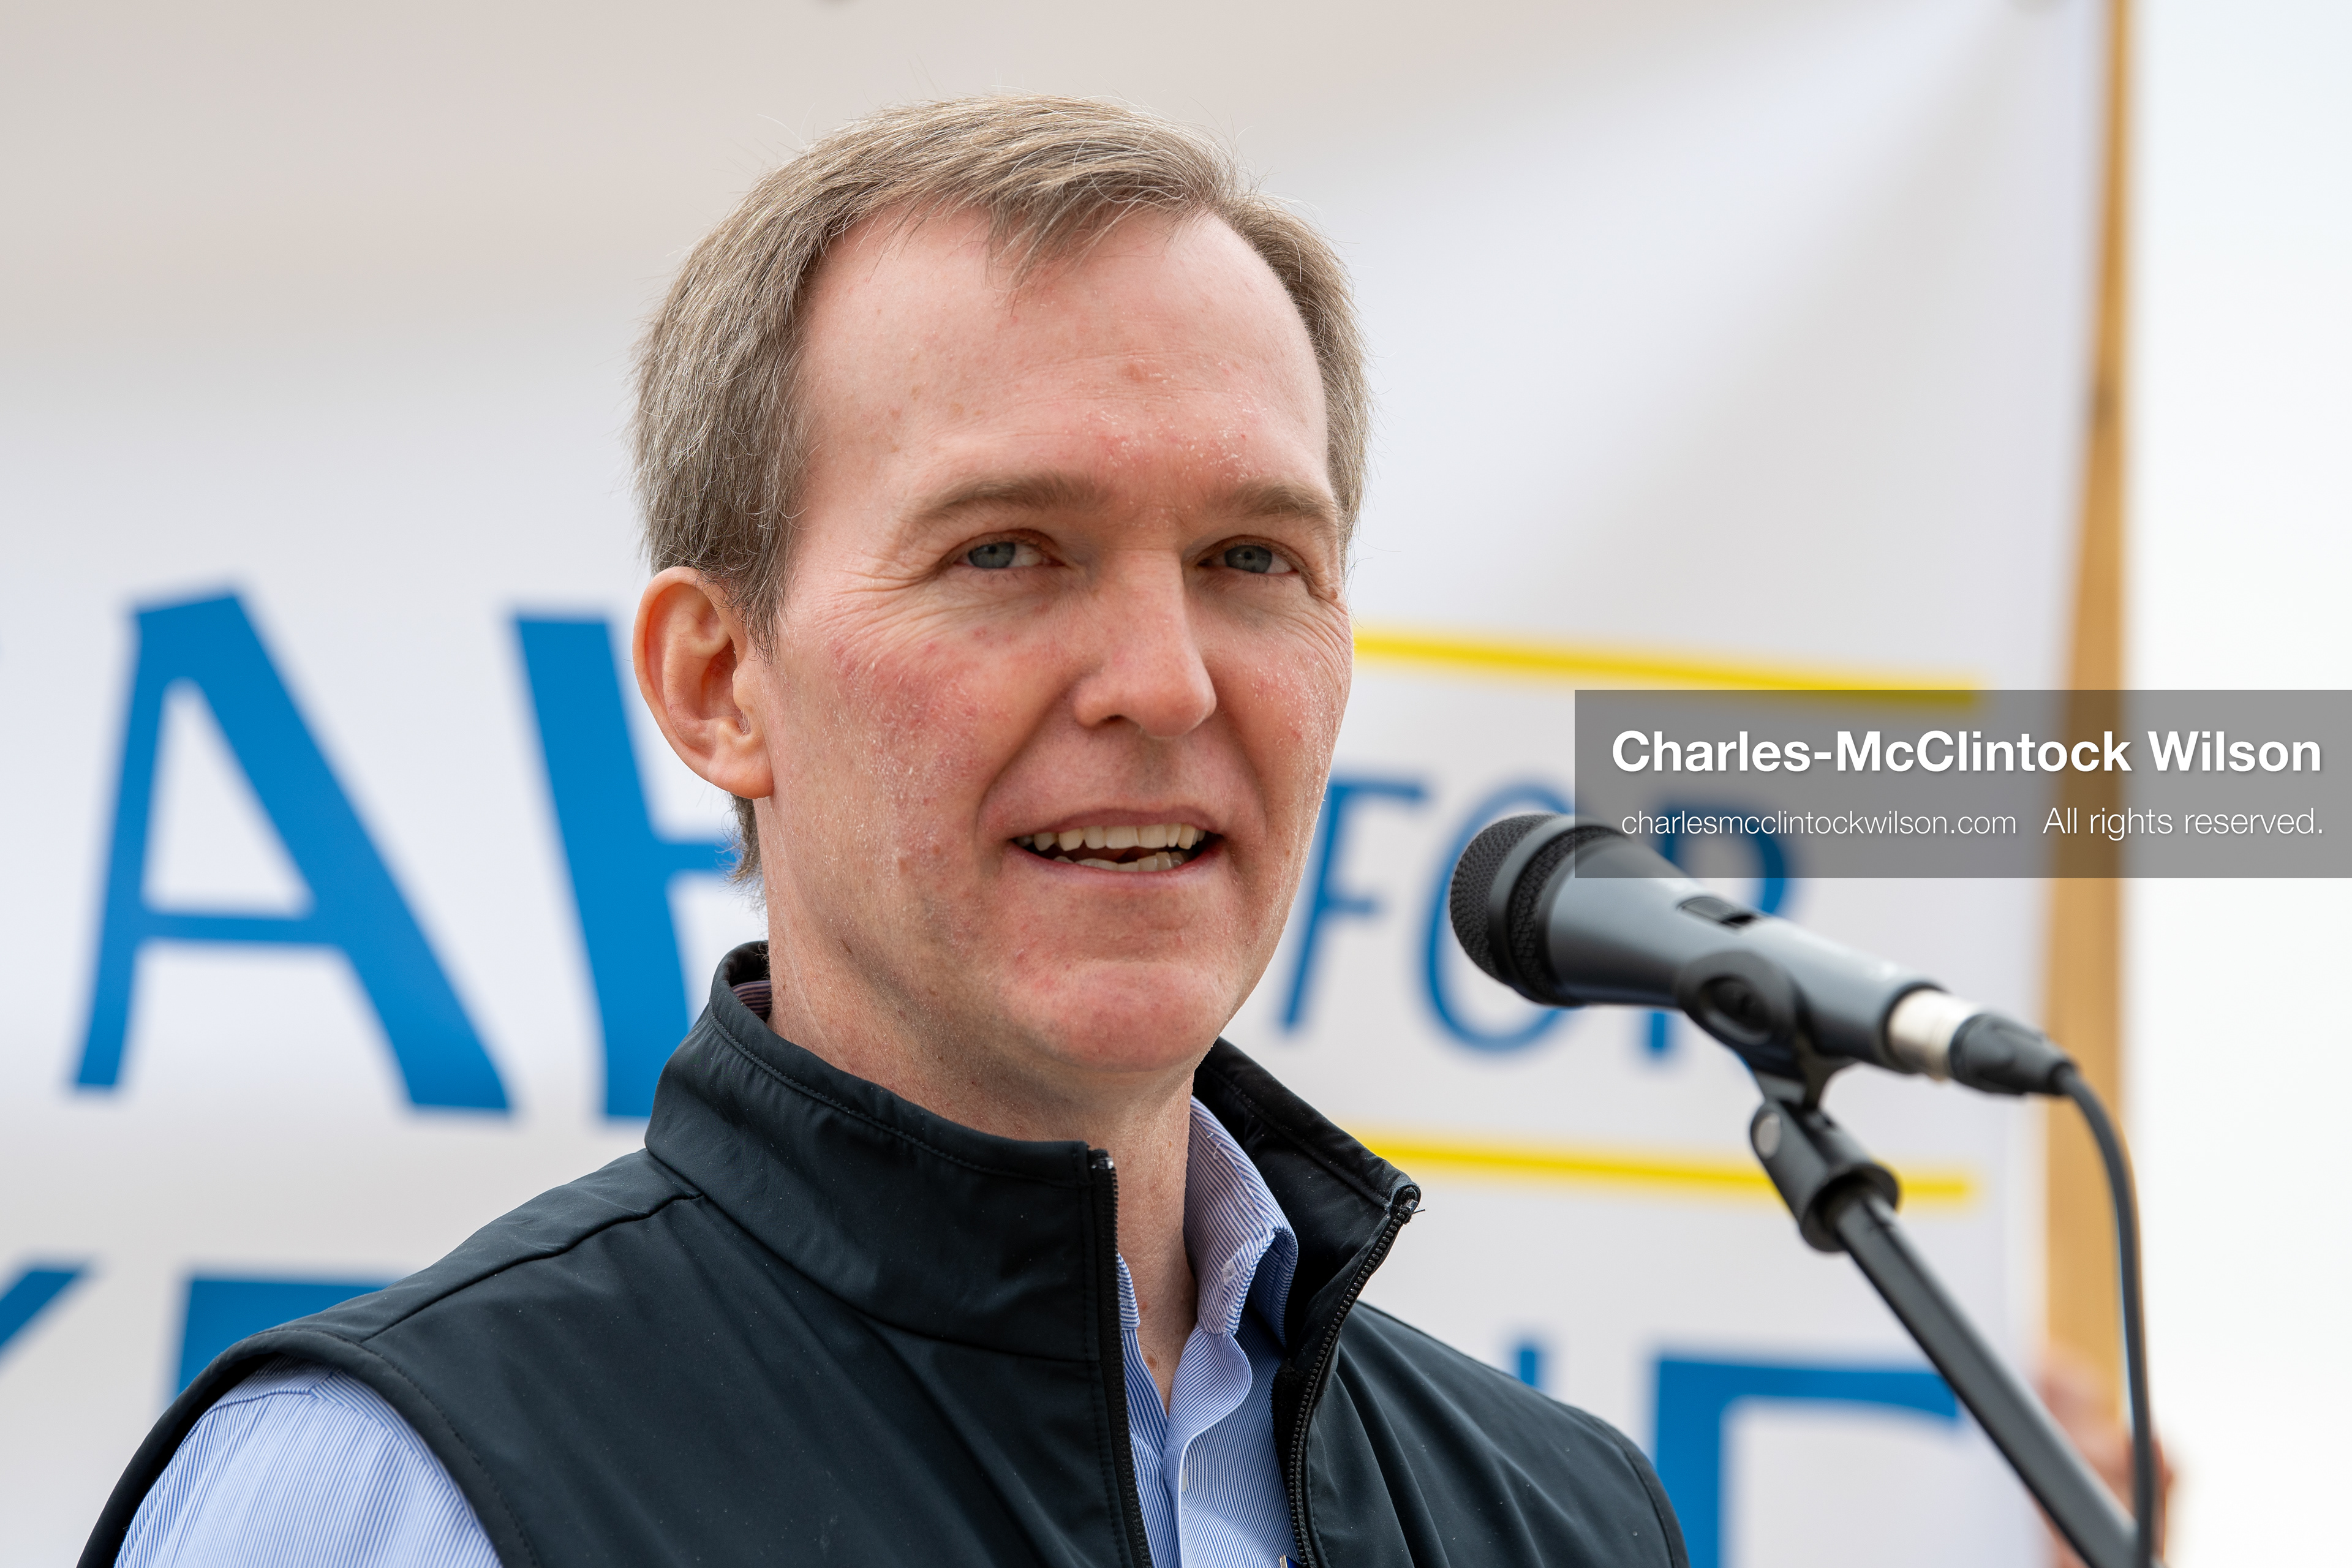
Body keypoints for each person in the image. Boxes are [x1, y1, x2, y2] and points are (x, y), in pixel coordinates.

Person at [83, 95, 1689, 1568]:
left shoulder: (1561, 1517)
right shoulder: (403, 1488)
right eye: (1007, 553)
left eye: (1254, 560)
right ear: (719, 685)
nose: (1165, 683)